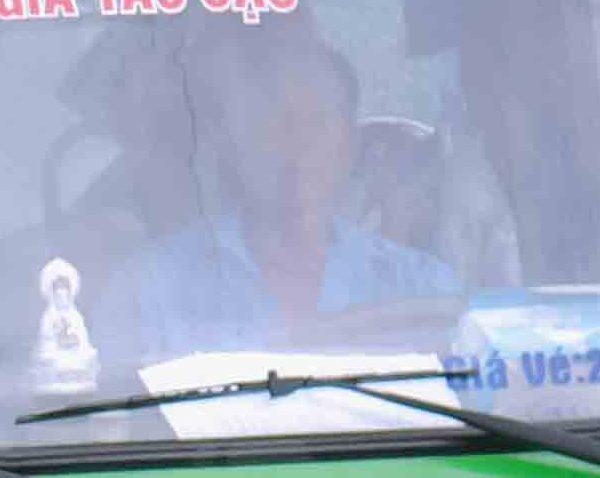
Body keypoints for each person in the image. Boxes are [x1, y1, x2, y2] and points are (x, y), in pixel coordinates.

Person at [112, 23, 460, 363]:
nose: (298, 144)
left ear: (351, 145)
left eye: (317, 122)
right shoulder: (149, 290)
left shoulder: (422, 287)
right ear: (233, 144)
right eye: (272, 123)